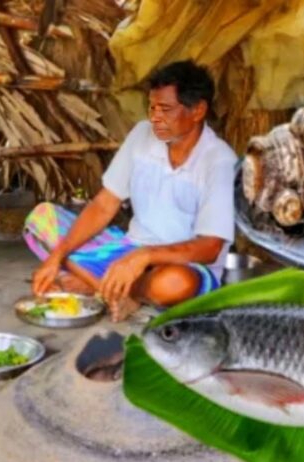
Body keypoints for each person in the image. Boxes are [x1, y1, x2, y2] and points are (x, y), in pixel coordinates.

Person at [25, 60, 236, 322]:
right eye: (152, 107)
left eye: (166, 109)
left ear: (198, 110)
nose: (155, 118)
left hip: (182, 264)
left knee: (173, 284)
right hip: (128, 249)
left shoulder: (220, 161)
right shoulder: (141, 135)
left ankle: (116, 289)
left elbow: (210, 247)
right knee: (42, 219)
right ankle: (110, 286)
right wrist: (56, 258)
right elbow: (104, 205)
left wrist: (145, 256)